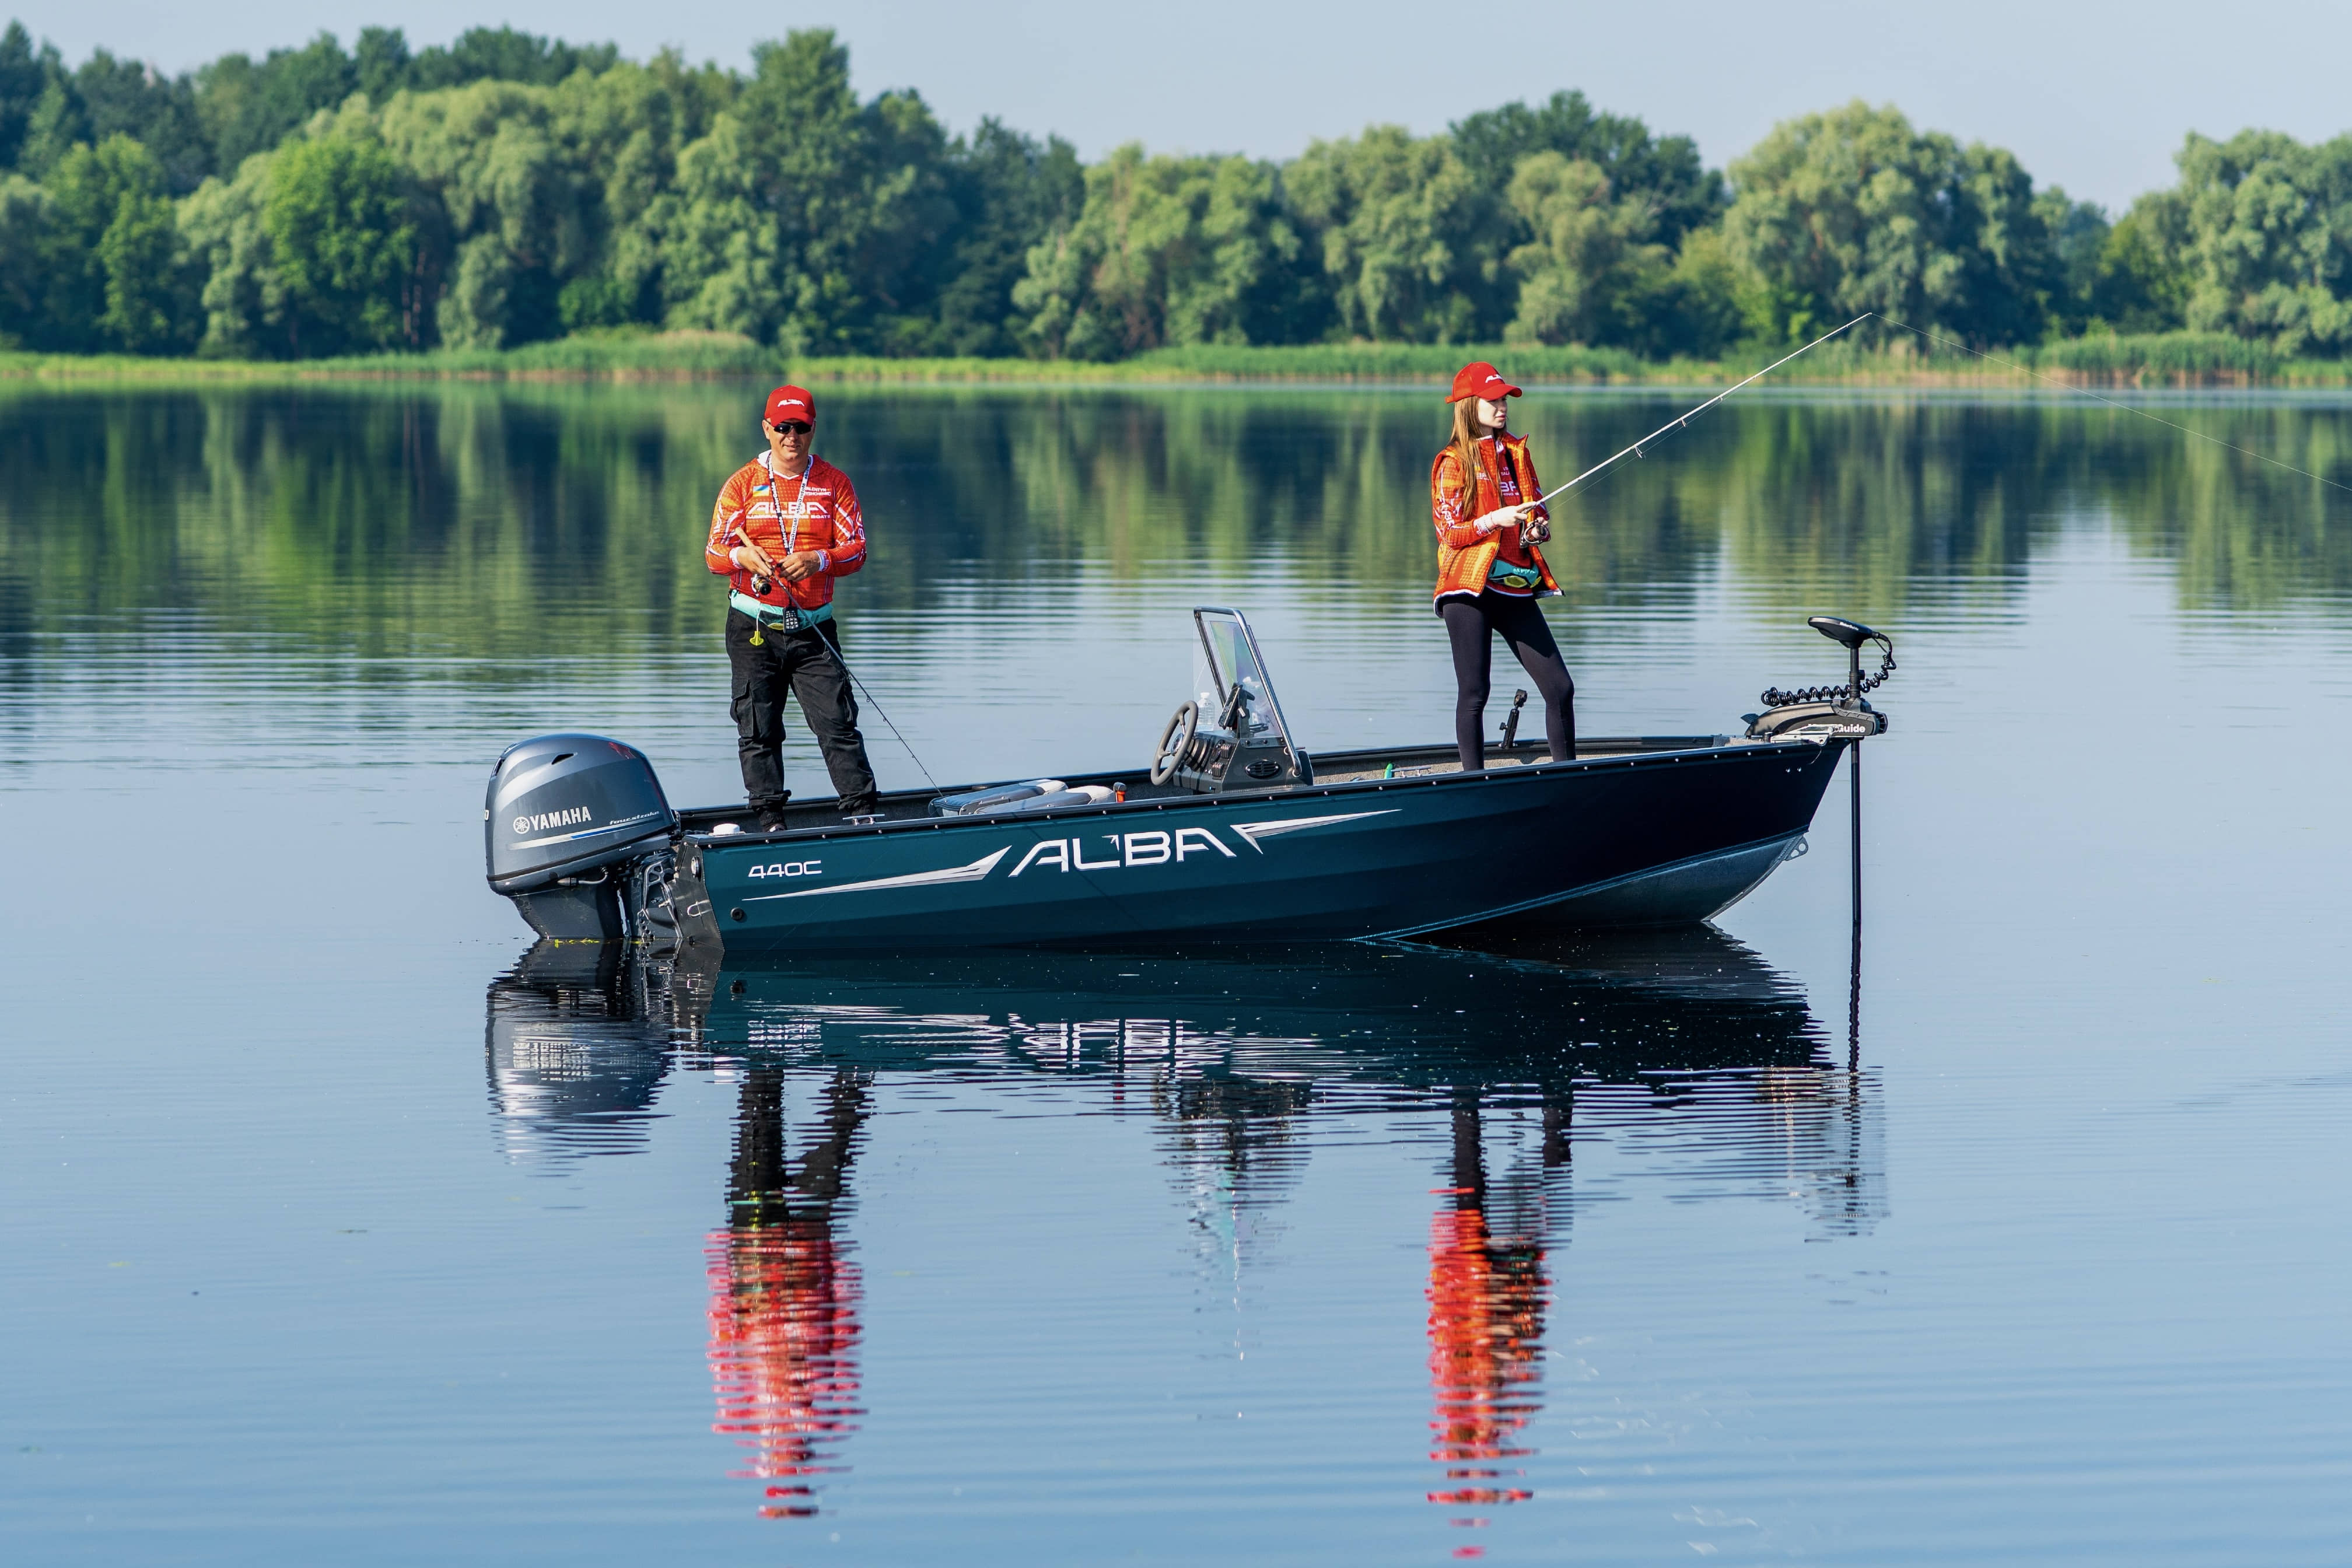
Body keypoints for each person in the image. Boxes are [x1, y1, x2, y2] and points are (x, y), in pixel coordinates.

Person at [705, 385, 880, 828]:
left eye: (800, 427)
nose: (791, 437)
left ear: (813, 429)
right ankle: (769, 821)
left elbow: (857, 551)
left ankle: (863, 817)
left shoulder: (834, 484)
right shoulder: (742, 484)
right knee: (758, 728)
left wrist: (820, 560)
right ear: (766, 429)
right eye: (782, 427)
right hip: (753, 627)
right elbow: (713, 554)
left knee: (838, 725)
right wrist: (742, 556)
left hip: (812, 628)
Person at [1429, 361, 1577, 771]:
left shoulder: (1517, 454)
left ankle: (1568, 776)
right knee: (1475, 693)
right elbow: (1450, 533)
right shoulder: (1451, 462)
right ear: (1469, 405)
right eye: (1493, 400)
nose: (1502, 407)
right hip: (1467, 589)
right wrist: (1494, 520)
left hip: (1513, 585)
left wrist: (1535, 529)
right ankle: (1473, 784)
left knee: (1560, 688)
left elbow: (1537, 512)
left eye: (1505, 399)